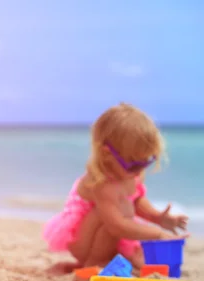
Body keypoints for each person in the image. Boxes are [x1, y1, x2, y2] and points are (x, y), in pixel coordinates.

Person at [43, 103, 189, 270]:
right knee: (115, 215)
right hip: (83, 241)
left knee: (137, 247)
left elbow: (136, 200)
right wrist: (157, 234)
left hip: (112, 231)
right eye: (134, 164)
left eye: (146, 162)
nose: (139, 171)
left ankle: (112, 257)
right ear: (107, 154)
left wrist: (158, 218)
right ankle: (94, 262)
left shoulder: (129, 172)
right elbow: (116, 225)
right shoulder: (101, 183)